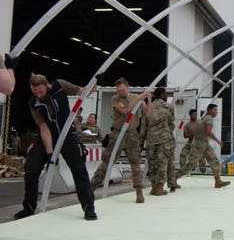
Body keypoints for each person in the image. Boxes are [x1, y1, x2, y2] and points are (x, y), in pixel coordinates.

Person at [14, 74, 96, 220]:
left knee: (79, 169)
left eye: (40, 92)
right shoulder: (33, 104)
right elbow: (44, 128)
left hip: (67, 135)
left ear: (47, 86)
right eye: (35, 92)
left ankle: (88, 207)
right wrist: (51, 153)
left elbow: (82, 92)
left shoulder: (59, 85)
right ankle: (29, 208)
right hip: (47, 136)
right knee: (31, 169)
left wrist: (94, 84)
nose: (38, 95)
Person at [91, 77, 148, 203]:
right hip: (118, 133)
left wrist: (147, 99)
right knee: (107, 161)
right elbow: (125, 111)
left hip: (132, 134)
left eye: (122, 90)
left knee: (136, 163)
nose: (120, 92)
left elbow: (147, 112)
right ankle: (92, 188)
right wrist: (138, 99)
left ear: (128, 87)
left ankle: (139, 191)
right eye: (119, 90)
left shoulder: (135, 97)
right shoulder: (115, 99)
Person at [175, 104, 230, 189]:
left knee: (214, 160)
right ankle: (174, 178)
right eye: (215, 110)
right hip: (199, 145)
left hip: (204, 143)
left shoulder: (203, 119)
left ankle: (218, 181)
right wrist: (218, 141)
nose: (216, 112)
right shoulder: (209, 118)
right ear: (209, 110)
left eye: (216, 110)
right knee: (190, 164)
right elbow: (208, 131)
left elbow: (199, 130)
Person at [141, 88, 177, 196]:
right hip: (164, 139)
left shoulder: (148, 107)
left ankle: (153, 187)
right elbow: (171, 123)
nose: (166, 96)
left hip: (151, 139)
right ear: (162, 94)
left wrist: (141, 141)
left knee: (152, 164)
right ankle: (160, 188)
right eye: (165, 94)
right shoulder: (168, 107)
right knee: (162, 163)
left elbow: (143, 125)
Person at [179, 109, 207, 174]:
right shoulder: (187, 125)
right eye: (194, 114)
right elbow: (185, 135)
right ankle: (183, 168)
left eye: (196, 114)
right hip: (190, 142)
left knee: (201, 155)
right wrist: (192, 134)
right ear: (190, 115)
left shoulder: (199, 123)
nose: (195, 116)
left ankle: (202, 169)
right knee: (183, 153)